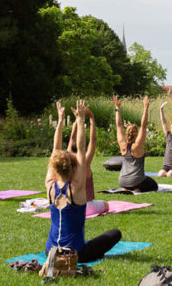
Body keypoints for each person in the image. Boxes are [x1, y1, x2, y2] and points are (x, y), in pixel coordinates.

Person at [45, 100, 121, 262]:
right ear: (73, 169)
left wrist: (60, 121)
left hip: (50, 252)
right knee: (115, 233)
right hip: (75, 255)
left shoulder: (50, 186)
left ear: (54, 167)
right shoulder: (76, 188)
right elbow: (80, 148)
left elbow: (55, 148)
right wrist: (80, 120)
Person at [57, 101, 106, 215]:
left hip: (69, 205)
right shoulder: (85, 162)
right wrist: (91, 117)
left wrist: (77, 121)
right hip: (86, 206)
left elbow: (71, 139)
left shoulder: (67, 160)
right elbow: (93, 141)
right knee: (106, 204)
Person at [114, 95, 158, 193]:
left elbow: (119, 125)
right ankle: (137, 189)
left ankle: (126, 188)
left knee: (141, 179)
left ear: (127, 133)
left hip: (123, 181)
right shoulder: (137, 145)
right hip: (136, 181)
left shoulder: (122, 144)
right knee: (154, 185)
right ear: (136, 133)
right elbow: (143, 125)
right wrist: (146, 108)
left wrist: (117, 108)